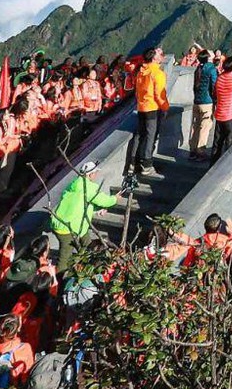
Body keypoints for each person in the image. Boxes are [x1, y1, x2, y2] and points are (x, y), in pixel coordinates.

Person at [49, 160, 118, 246]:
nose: (96, 175)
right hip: (69, 229)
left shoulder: (74, 184)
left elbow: (78, 205)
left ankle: (83, 256)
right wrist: (115, 198)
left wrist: (96, 211)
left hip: (65, 224)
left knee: (87, 244)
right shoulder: (88, 188)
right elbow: (105, 201)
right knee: (65, 257)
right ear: (90, 174)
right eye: (95, 173)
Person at [126, 47, 168, 178]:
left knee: (140, 134)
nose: (161, 56)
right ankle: (147, 164)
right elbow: (159, 94)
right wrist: (165, 107)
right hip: (152, 108)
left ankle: (133, 163)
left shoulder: (141, 72)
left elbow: (137, 92)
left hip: (141, 107)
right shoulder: (158, 73)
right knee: (151, 135)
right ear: (154, 58)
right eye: (159, 54)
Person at [191, 49, 220, 159]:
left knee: (195, 126)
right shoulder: (211, 69)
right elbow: (214, 85)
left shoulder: (198, 68)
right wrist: (216, 99)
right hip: (207, 102)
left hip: (197, 101)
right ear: (208, 57)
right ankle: (200, 151)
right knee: (204, 127)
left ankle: (192, 150)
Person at [212, 57, 232, 158]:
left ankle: (213, 166)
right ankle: (226, 168)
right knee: (230, 143)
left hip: (220, 113)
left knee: (217, 142)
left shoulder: (220, 78)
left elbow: (215, 94)